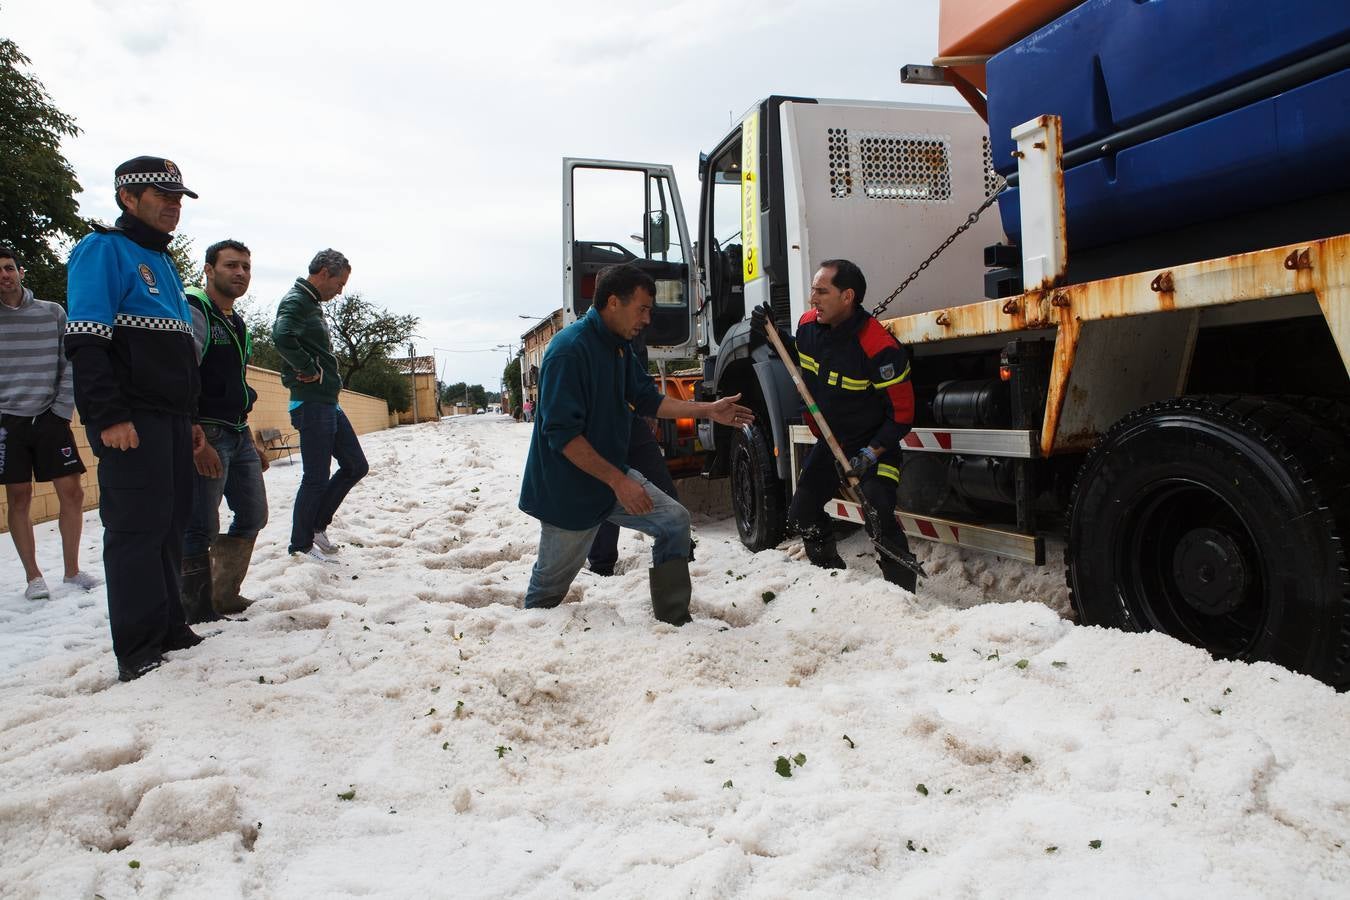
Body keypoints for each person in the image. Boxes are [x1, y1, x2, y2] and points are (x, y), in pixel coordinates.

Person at [519, 263, 753, 623]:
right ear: (614, 302)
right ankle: (525, 641)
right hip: (569, 490)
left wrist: (710, 410)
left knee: (674, 521)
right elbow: (562, 435)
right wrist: (620, 482)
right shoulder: (569, 350)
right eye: (642, 309)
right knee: (548, 592)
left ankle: (673, 618)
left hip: (611, 478)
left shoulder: (618, 346)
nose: (647, 319)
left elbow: (648, 399)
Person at [65, 156, 205, 682]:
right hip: (131, 421)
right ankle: (137, 647)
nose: (173, 206)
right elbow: (87, 344)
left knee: (171, 524)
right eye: (161, 196)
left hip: (170, 420)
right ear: (128, 198)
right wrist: (108, 417)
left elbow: (176, 354)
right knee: (134, 530)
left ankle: (170, 626)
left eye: (178, 198)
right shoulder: (102, 250)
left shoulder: (164, 264)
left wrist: (189, 417)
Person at [750, 259, 919, 591]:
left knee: (878, 513)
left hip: (873, 447)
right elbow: (799, 363)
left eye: (821, 291)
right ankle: (833, 580)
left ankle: (902, 596)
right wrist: (772, 335)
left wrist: (871, 453)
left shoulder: (879, 347)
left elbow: (902, 414)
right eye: (813, 289)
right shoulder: (809, 327)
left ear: (847, 297)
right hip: (832, 443)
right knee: (802, 515)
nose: (813, 298)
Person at [0, 245, 99, 600]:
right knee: (19, 496)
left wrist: (61, 409)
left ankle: (72, 571)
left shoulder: (52, 313)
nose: (4, 275)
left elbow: (69, 360)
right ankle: (33, 578)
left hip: (50, 417)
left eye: (9, 267)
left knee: (72, 493)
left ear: (21, 271)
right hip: (7, 423)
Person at [181, 239, 269, 622]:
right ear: (209, 269)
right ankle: (195, 609)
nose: (240, 273)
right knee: (200, 524)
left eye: (246, 267)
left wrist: (249, 439)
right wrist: (194, 436)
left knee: (253, 514)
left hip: (236, 431)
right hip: (207, 434)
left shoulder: (236, 322)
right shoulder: (195, 308)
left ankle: (223, 594)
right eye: (232, 265)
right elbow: (183, 376)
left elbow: (235, 383)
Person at [272, 249, 368, 561]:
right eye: (339, 283)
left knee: (355, 465)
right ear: (324, 272)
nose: (340, 291)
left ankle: (316, 527)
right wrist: (308, 368)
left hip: (327, 401)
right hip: (311, 402)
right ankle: (300, 545)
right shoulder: (297, 299)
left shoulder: (311, 303)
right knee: (315, 476)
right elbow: (282, 334)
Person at [585, 330, 683, 577]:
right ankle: (602, 566)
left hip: (633, 420)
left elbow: (640, 374)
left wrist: (648, 411)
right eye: (643, 309)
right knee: (606, 490)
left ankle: (679, 552)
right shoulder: (584, 339)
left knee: (663, 486)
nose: (647, 319)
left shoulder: (636, 329)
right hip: (602, 424)